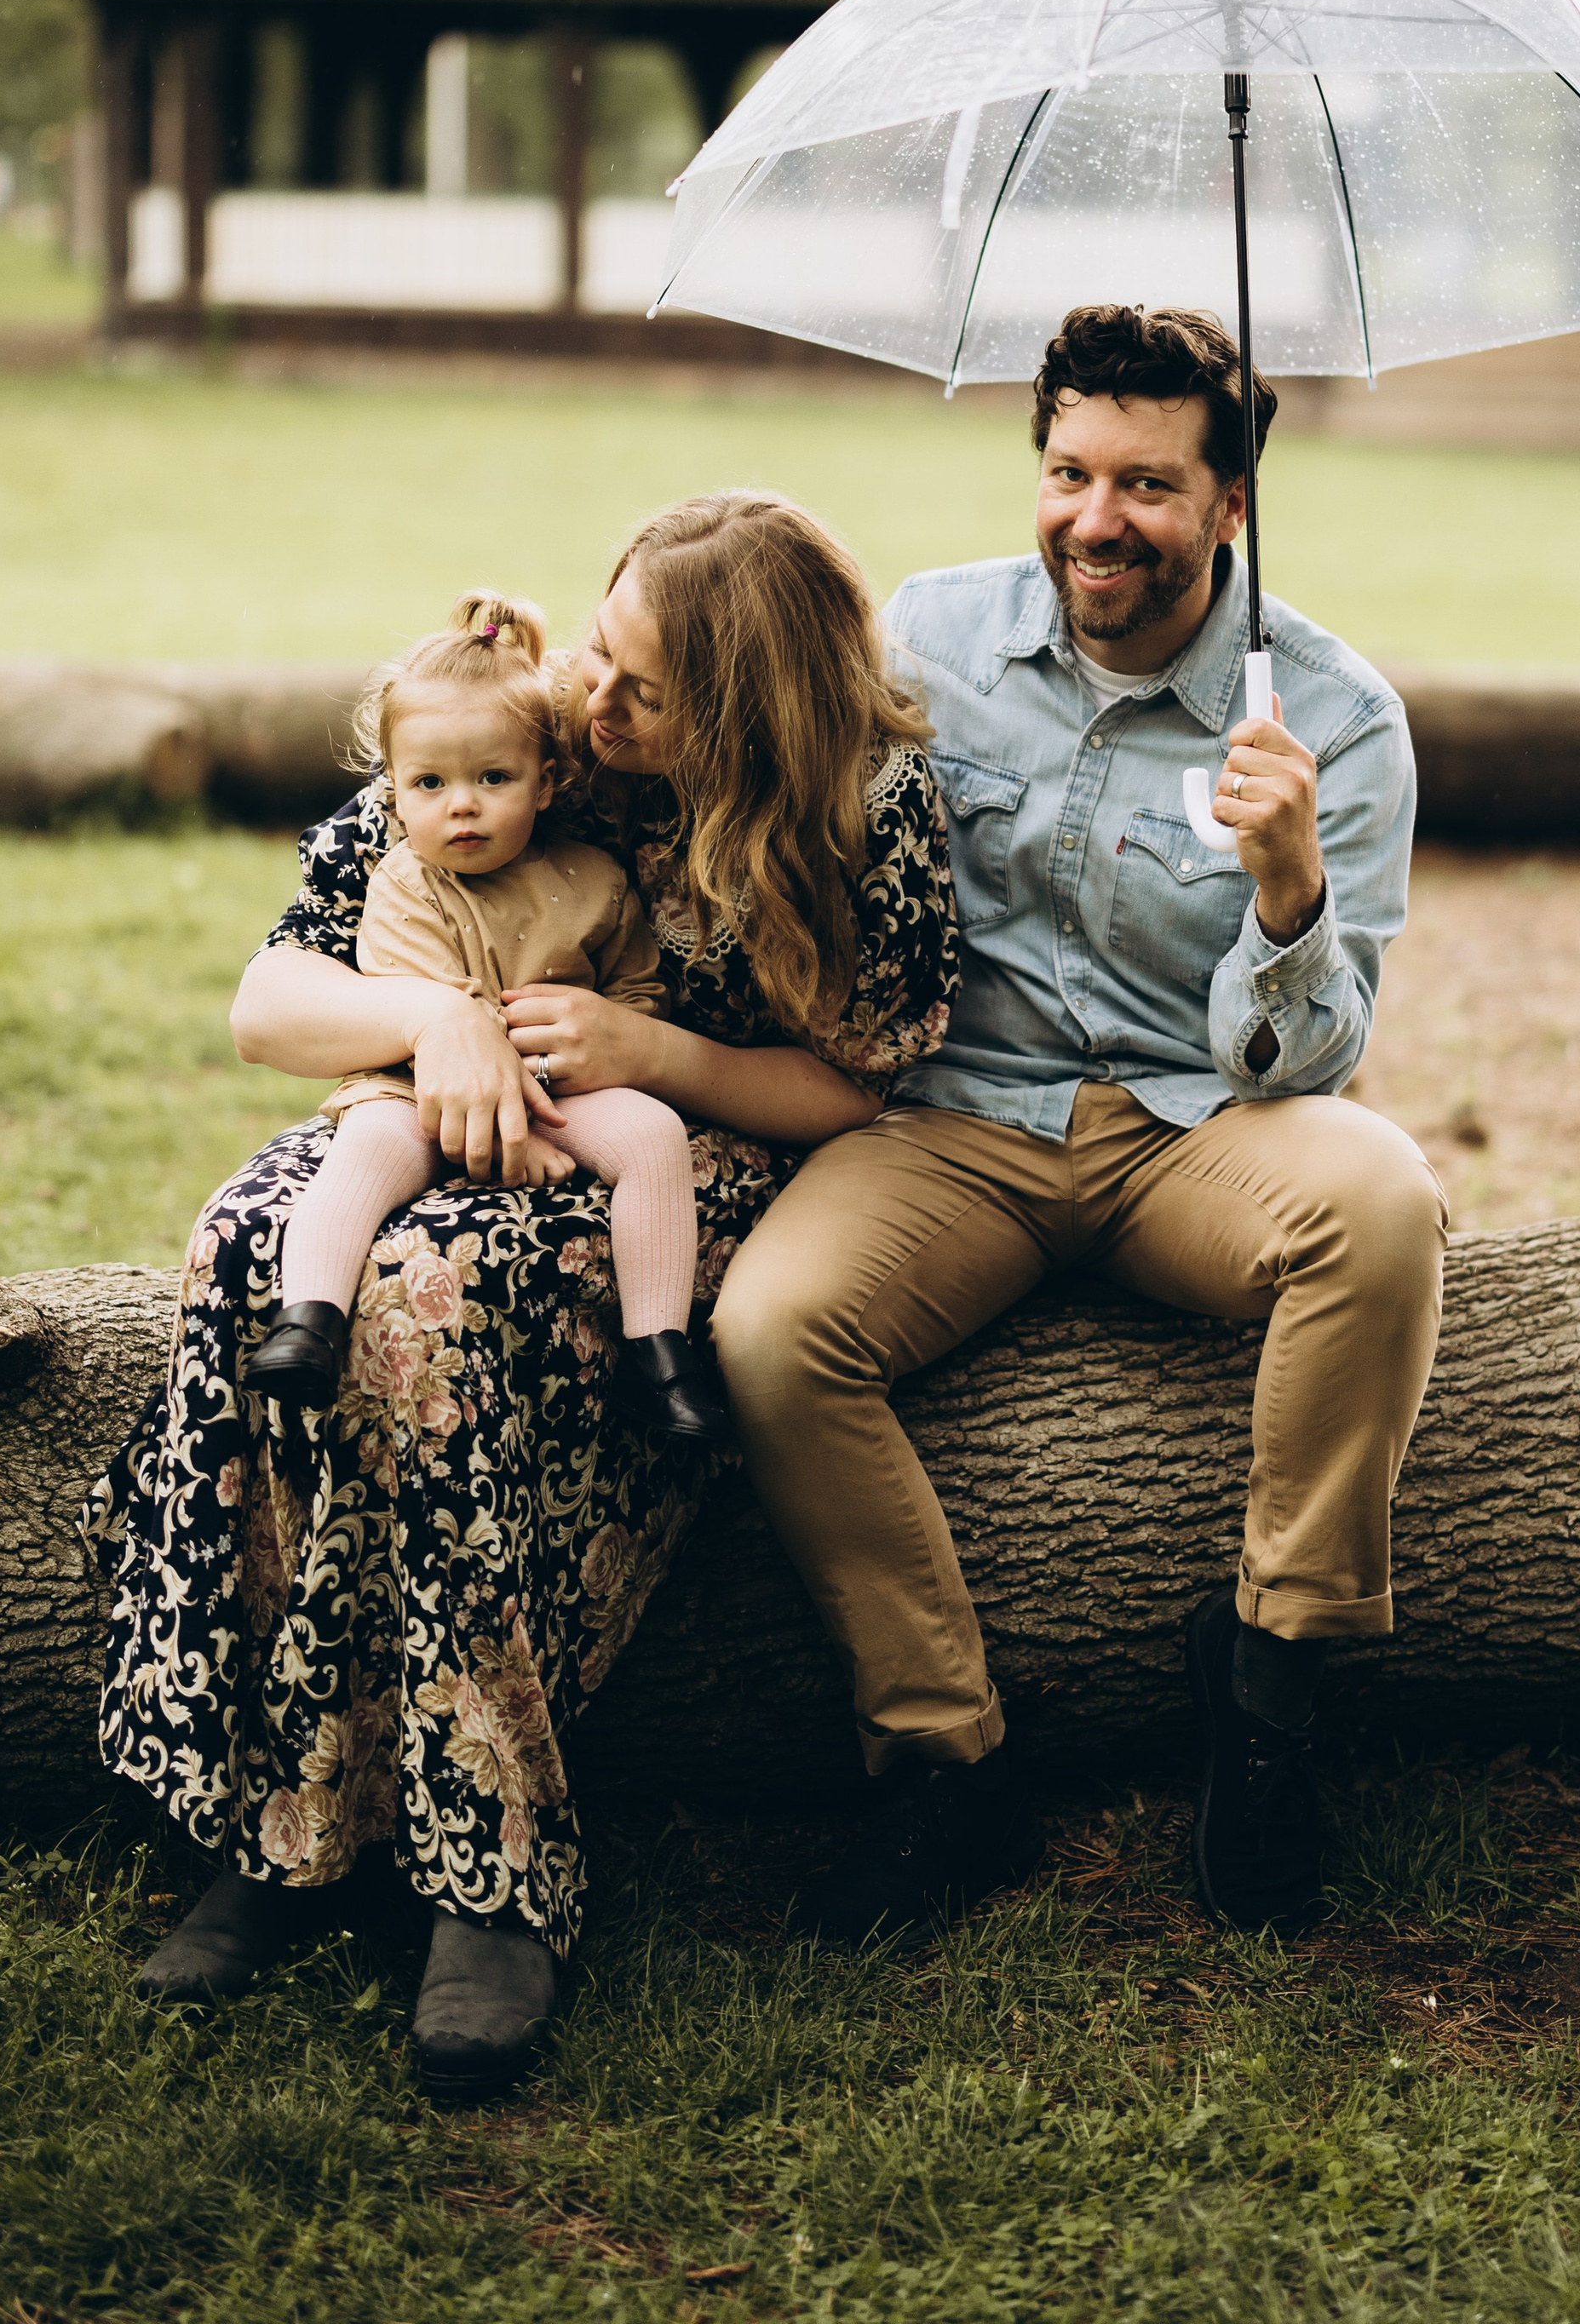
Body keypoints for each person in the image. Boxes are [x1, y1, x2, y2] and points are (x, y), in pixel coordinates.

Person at [83, 492, 956, 2100]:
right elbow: (273, 995)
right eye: (599, 652)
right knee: (248, 1244)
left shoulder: (861, 814)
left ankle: (492, 1872)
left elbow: (862, 1088)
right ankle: (290, 1821)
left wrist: (654, 1056)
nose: (592, 703)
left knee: (426, 1312)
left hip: (671, 1158)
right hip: (432, 1109)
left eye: (641, 689)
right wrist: (436, 1023)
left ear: (747, 719)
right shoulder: (517, 725)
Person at [712, 304, 1448, 1946]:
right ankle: (941, 1759)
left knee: (1383, 1202)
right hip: (957, 1121)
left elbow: (1307, 1064)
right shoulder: (926, 637)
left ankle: (1275, 1681)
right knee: (769, 1331)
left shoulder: (1336, 716)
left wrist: (1288, 885)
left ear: (1231, 505)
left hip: (1193, 1128)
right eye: (1067, 472)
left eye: (1147, 485)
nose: (1096, 521)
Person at [245, 582, 731, 1447]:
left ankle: (660, 1350)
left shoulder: (594, 879)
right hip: (417, 1090)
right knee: (364, 1150)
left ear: (546, 786)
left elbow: (635, 989)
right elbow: (439, 1026)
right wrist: (527, 1147)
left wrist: (611, 1040)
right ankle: (308, 1316)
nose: (460, 804)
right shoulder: (401, 884)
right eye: (430, 783)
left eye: (492, 778)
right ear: (393, 794)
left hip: (564, 1082)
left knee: (654, 1136)